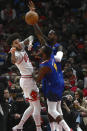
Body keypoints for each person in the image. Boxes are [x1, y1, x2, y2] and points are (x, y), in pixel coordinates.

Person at [28, 1, 64, 130]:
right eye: (49, 33)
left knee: (57, 107)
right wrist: (34, 21)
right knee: (50, 107)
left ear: (56, 36)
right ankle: (54, 128)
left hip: (56, 76)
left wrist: (51, 56)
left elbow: (59, 58)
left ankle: (62, 128)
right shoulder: (46, 46)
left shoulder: (58, 46)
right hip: (46, 76)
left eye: (52, 33)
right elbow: (39, 34)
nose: (50, 34)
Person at [7, 33, 42, 131]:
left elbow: (31, 36)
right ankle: (39, 129)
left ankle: (19, 126)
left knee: (32, 106)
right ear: (12, 45)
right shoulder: (16, 53)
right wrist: (13, 52)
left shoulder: (21, 45)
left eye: (18, 41)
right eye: (15, 43)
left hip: (28, 81)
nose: (18, 43)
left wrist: (30, 43)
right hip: (28, 82)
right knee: (37, 107)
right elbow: (13, 61)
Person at [34, 45, 72, 131]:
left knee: (51, 111)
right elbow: (47, 45)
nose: (39, 50)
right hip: (58, 84)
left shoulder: (45, 66)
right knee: (57, 108)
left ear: (44, 54)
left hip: (53, 87)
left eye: (40, 50)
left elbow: (38, 80)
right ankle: (56, 129)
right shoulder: (51, 56)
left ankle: (67, 129)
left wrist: (30, 73)